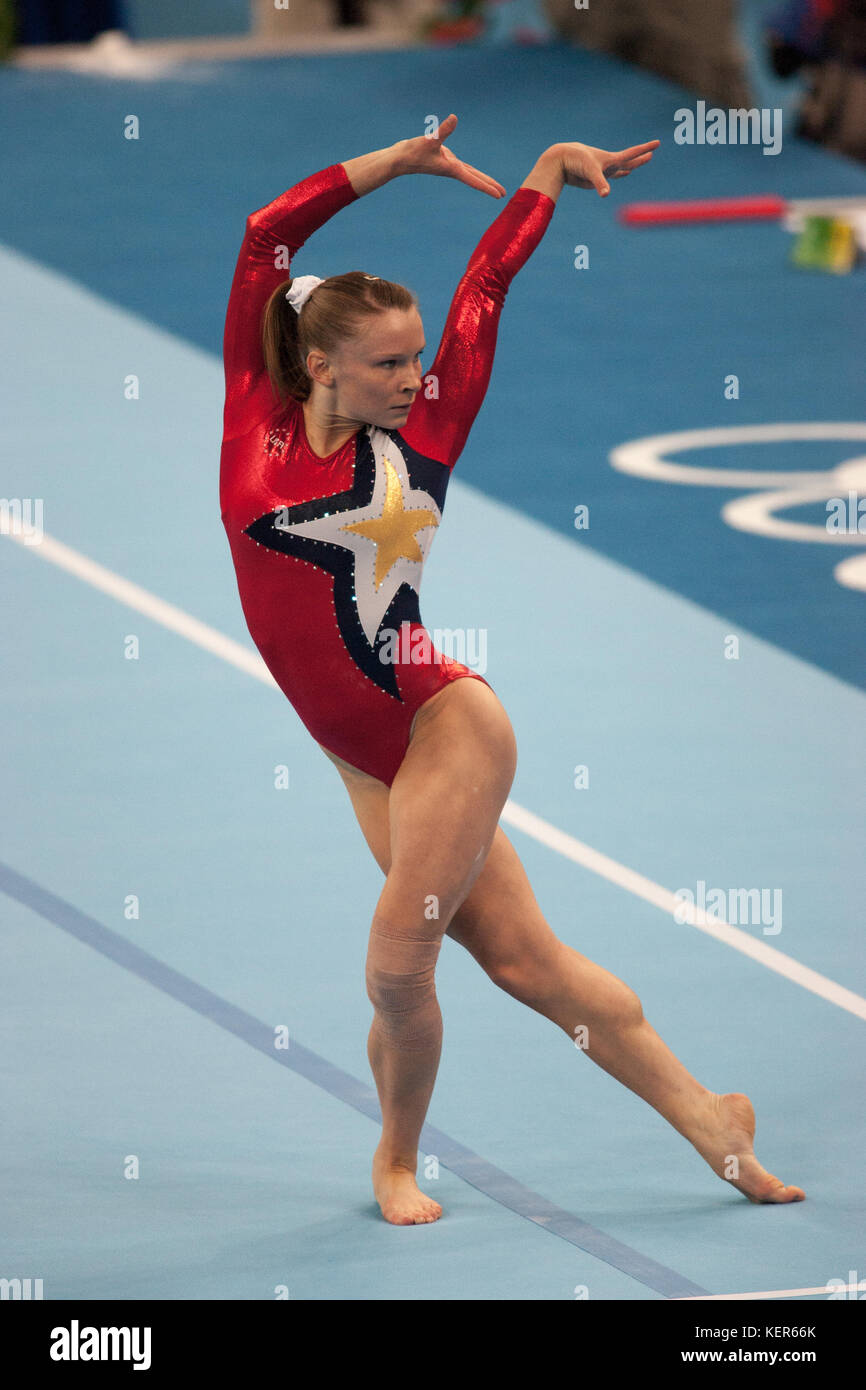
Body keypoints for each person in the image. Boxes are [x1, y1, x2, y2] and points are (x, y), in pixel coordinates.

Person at [220, 116, 805, 1224]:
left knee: (399, 968)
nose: (412, 374)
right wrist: (383, 165)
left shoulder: (428, 429)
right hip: (362, 759)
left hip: (442, 724)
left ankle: (394, 1162)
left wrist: (540, 179)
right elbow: (265, 236)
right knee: (528, 964)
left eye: (415, 355)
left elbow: (486, 284)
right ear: (317, 362)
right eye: (387, 361)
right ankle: (707, 1116)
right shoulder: (251, 412)